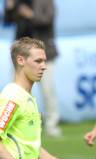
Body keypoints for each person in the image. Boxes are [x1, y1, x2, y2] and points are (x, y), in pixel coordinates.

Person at [4, 0, 62, 137]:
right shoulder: (18, 2)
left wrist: (30, 15)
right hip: (21, 53)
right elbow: (7, 21)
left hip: (43, 51)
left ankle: (51, 125)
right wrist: (9, 7)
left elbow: (48, 20)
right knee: (18, 90)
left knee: (48, 90)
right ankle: (20, 124)